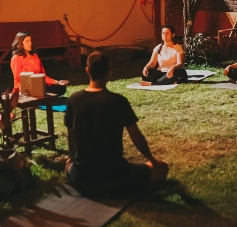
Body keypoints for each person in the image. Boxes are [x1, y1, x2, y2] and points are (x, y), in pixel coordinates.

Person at [65, 51, 169, 197]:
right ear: (109, 73)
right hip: (115, 176)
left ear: (87, 70)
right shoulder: (118, 101)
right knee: (162, 169)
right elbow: (136, 136)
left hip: (82, 175)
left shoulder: (74, 100)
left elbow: (70, 136)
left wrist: (72, 157)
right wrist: (152, 160)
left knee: (68, 166)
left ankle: (90, 186)